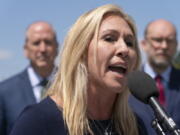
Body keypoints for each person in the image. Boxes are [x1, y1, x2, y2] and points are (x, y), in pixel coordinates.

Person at [10, 4, 147, 135]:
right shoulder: (37, 121)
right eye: (109, 38)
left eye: (130, 43)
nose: (124, 49)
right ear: (81, 51)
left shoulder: (134, 126)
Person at [0, 21, 59, 135]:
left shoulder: (74, 86)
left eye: (48, 42)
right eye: (36, 43)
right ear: (26, 50)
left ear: (57, 47)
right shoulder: (4, 92)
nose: (42, 49)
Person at [129, 19, 180, 135]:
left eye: (170, 40)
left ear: (176, 45)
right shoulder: (127, 85)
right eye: (157, 40)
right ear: (144, 44)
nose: (164, 46)